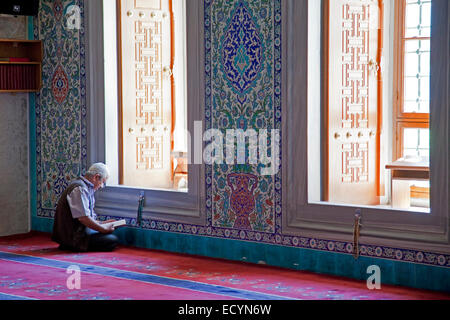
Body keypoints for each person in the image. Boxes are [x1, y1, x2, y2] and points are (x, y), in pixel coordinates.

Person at [52, 163, 119, 252]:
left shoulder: (86, 188)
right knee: (112, 240)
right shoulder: (79, 188)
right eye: (102, 182)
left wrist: (103, 223)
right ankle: (72, 246)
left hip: (79, 232)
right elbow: (83, 218)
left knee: (110, 236)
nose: (101, 186)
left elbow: (87, 217)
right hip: (74, 236)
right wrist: (103, 229)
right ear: (96, 177)